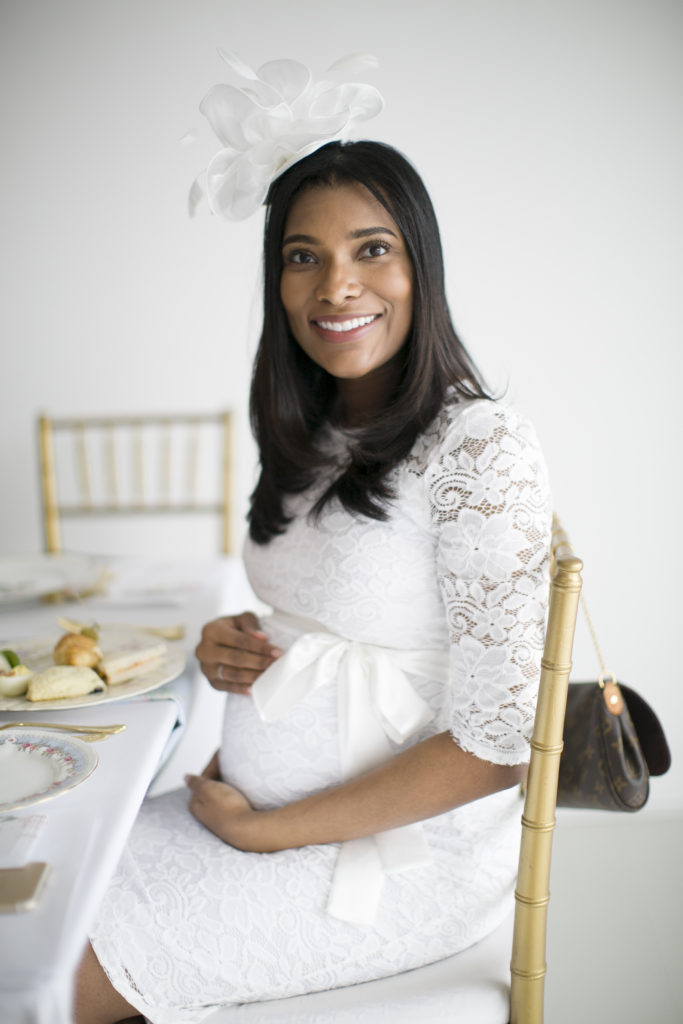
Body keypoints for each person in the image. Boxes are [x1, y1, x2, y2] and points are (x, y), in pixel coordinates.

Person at [74, 137, 551, 1023]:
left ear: (421, 265)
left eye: (372, 249)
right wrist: (244, 644)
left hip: (395, 860)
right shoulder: (314, 429)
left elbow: (498, 748)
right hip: (253, 813)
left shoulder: (480, 446)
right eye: (304, 258)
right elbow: (327, 609)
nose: (335, 286)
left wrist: (264, 829)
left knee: (48, 976)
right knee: (33, 894)